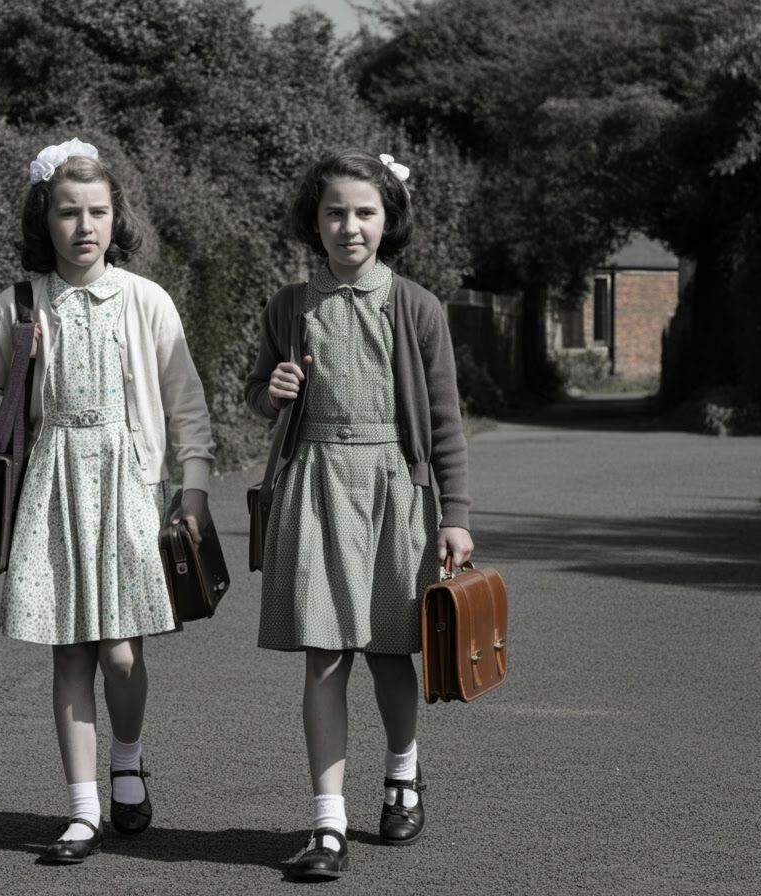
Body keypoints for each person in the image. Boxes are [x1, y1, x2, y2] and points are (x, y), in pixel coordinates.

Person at [0, 138, 215, 865]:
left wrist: (192, 485)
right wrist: (21, 386)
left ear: (115, 217)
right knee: (70, 651)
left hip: (129, 486)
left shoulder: (147, 299)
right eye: (69, 212)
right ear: (46, 219)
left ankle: (127, 760)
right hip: (52, 487)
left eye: (97, 210)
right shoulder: (18, 305)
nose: (84, 225)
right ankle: (81, 811)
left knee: (123, 654)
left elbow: (187, 406)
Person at [245, 149, 474, 881]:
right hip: (313, 482)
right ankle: (327, 824)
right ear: (313, 220)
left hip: (393, 489)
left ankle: (402, 776)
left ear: (389, 219)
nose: (350, 226)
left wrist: (455, 515)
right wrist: (272, 391)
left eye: (364, 212)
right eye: (336, 211)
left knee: (390, 650)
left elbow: (444, 422)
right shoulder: (288, 305)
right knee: (325, 651)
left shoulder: (416, 307)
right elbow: (258, 393)